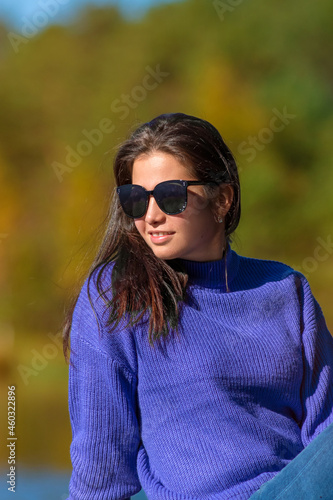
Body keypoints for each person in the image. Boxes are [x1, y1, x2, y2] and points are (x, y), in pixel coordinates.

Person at [63, 112, 333, 499]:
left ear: (222, 199)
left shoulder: (285, 290)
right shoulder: (117, 298)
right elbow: (101, 470)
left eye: (170, 196)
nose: (151, 216)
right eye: (136, 200)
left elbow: (325, 430)